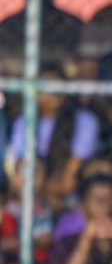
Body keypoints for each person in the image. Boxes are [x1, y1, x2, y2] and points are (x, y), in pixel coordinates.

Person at [6, 62, 100, 199]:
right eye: (43, 89)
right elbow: (21, 164)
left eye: (54, 89)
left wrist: (54, 195)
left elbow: (70, 178)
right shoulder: (24, 120)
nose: (49, 95)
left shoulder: (84, 120)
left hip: (72, 193)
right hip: (35, 190)